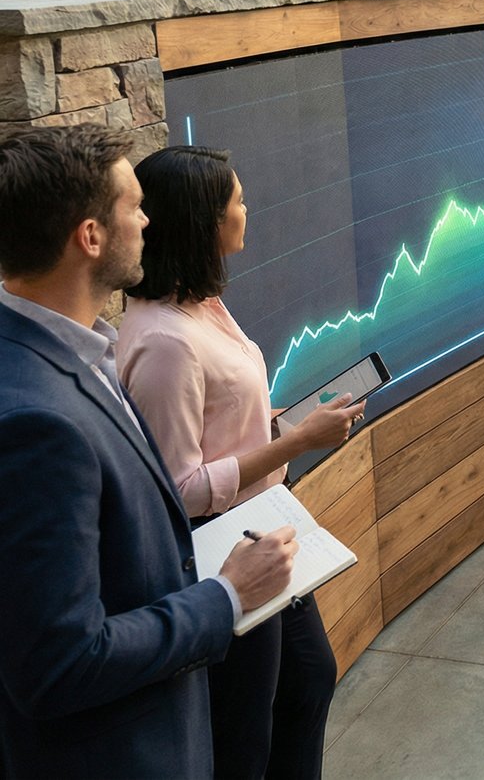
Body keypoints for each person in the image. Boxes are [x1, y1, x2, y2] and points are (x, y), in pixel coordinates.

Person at [0, 126, 296, 780]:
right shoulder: (34, 420)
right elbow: (59, 663)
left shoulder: (79, 350)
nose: (147, 219)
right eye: (134, 204)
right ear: (90, 236)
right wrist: (224, 595)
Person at [118, 146, 364, 780]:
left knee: (308, 680)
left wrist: (271, 424)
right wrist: (297, 442)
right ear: (206, 222)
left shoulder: (202, 305)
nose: (247, 209)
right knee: (246, 735)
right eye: (237, 200)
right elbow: (179, 488)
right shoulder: (164, 341)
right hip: (228, 545)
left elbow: (216, 424)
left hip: (263, 523)